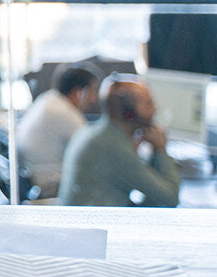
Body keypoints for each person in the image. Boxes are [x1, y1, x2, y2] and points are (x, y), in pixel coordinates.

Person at [58, 75, 180, 207]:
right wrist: (160, 149)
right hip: (98, 218)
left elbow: (154, 197)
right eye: (148, 104)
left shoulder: (96, 132)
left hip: (90, 214)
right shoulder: (111, 146)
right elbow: (170, 198)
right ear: (129, 114)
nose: (155, 108)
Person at [15, 64, 98, 197]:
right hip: (50, 185)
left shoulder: (48, 99)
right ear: (78, 92)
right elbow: (93, 153)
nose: (94, 99)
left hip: (33, 180)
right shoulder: (66, 114)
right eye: (92, 91)